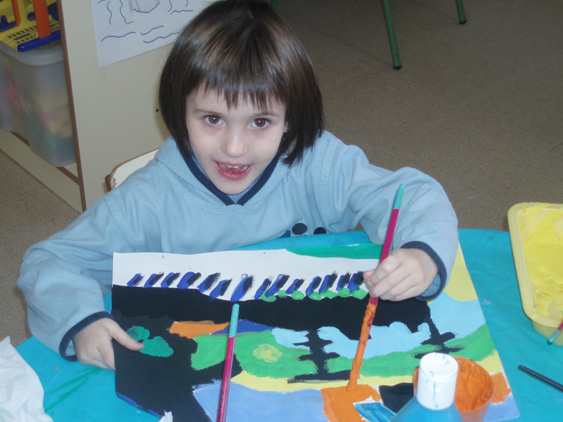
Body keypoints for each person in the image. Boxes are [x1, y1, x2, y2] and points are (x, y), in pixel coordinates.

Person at [17, 0, 458, 371]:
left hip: (315, 352)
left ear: (290, 120)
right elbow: (49, 261)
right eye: (212, 119)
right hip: (201, 364)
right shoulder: (148, 200)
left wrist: (421, 253)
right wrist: (83, 321)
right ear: (179, 110)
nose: (233, 147)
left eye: (260, 122)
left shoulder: (316, 163)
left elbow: (415, 195)